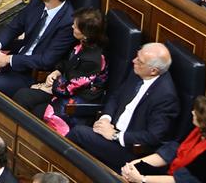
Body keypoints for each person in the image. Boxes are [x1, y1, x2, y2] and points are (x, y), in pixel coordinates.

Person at [67, 43, 178, 171]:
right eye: (137, 56)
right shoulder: (138, 72)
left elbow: (153, 136)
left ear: (153, 71)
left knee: (78, 133)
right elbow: (116, 96)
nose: (133, 61)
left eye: (139, 61)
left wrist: (116, 135)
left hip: (130, 150)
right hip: (109, 131)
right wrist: (105, 119)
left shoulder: (166, 97)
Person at [13, 7, 108, 136]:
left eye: (76, 26)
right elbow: (66, 63)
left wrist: (46, 87)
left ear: (85, 33)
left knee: (36, 109)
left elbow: (71, 87)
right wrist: (57, 71)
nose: (72, 27)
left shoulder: (93, 60)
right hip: (61, 88)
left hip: (74, 101)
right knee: (23, 95)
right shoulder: (82, 44)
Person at [119, 95, 206, 183]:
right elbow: (171, 151)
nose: (193, 112)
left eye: (197, 113)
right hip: (171, 173)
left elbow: (186, 179)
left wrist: (142, 179)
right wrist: (134, 164)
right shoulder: (198, 130)